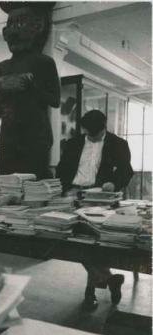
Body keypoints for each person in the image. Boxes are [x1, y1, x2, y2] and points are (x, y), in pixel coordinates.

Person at [56, 110, 134, 311]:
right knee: (75, 241)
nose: (93, 137)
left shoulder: (118, 144)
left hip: (100, 198)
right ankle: (109, 279)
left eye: (96, 135)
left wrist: (113, 183)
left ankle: (90, 292)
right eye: (89, 134)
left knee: (92, 243)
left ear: (104, 127)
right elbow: (62, 169)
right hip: (75, 196)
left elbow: (126, 171)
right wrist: (67, 188)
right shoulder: (73, 143)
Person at [0, 2, 60, 180]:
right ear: (5, 33)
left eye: (21, 24)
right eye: (10, 25)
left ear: (37, 27)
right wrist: (1, 91)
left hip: (35, 135)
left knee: (33, 186)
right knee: (7, 184)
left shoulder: (44, 63)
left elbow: (55, 100)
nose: (14, 32)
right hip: (8, 136)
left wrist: (31, 87)